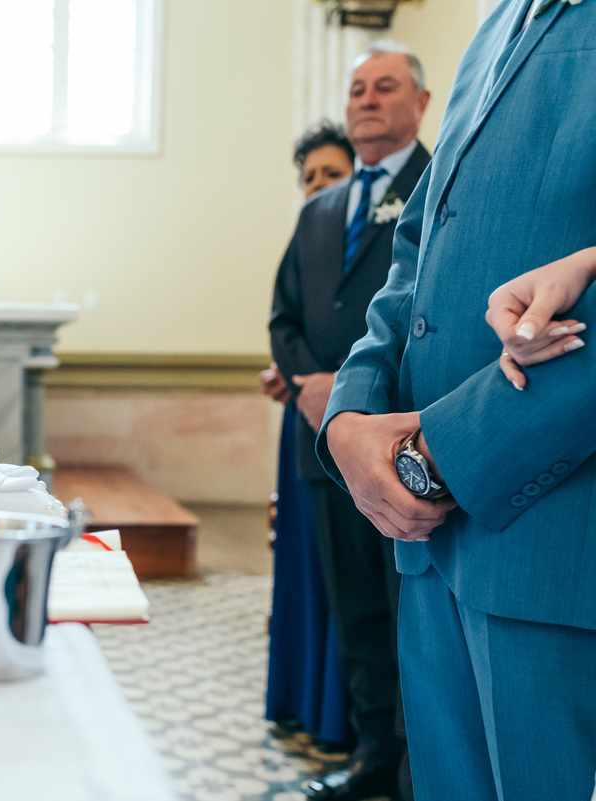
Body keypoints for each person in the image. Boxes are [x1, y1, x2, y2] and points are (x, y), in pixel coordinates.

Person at [318, 1, 596, 798]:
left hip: (554, 545)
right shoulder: (498, 22)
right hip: (434, 556)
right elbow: (416, 251)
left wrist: (442, 455)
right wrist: (352, 417)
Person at [269, 41, 431, 801]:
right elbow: (286, 314)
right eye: (357, 87)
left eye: (385, 86)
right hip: (322, 443)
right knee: (357, 608)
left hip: (404, 442)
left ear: (421, 103)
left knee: (413, 617)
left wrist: (352, 388)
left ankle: (418, 770)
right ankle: (374, 758)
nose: (366, 99)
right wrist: (310, 385)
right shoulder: (320, 209)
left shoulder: (441, 186)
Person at [263, 121, 353, 753]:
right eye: (309, 178)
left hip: (359, 424)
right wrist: (297, 379)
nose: (318, 186)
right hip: (304, 420)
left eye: (332, 173)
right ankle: (299, 702)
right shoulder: (308, 233)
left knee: (344, 579)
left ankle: (342, 718)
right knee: (302, 570)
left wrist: (335, 385)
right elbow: (285, 318)